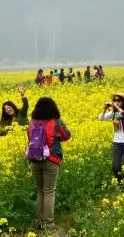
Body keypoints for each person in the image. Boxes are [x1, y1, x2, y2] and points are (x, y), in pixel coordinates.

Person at [26, 97, 71, 232]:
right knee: (49, 191)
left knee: (40, 191)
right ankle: (48, 225)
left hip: (35, 159)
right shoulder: (55, 122)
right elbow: (66, 136)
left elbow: (30, 138)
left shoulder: (32, 123)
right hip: (51, 160)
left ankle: (38, 222)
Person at [99, 93, 124, 182]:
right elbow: (101, 118)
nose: (116, 102)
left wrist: (117, 108)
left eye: (118, 100)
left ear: (123, 102)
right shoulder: (113, 113)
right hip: (116, 142)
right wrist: (105, 108)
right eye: (114, 100)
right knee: (115, 167)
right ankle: (120, 182)